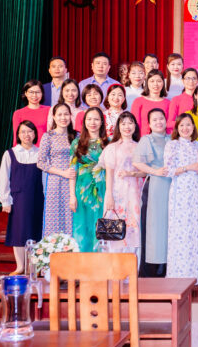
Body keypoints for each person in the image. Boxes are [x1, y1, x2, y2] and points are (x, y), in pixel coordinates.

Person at [0, 121, 44, 274]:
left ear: (35, 134)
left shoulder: (40, 153)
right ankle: (20, 266)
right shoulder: (10, 153)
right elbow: (4, 178)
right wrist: (5, 200)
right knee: (18, 232)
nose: (26, 135)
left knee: (36, 230)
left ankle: (34, 266)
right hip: (18, 199)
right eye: (23, 132)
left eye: (30, 131)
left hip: (37, 197)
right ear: (18, 135)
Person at [164, 113, 198, 284]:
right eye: (181, 125)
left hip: (195, 191)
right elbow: (168, 170)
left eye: (188, 125)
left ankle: (196, 274)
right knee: (180, 231)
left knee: (195, 231)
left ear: (193, 127)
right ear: (177, 128)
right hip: (179, 191)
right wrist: (188, 167)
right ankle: (178, 273)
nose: (185, 128)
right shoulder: (172, 144)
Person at [132, 108, 171, 277]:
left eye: (161, 118)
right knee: (154, 227)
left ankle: (169, 264)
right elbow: (137, 163)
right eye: (154, 120)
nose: (159, 122)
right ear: (149, 124)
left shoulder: (172, 139)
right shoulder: (147, 140)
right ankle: (153, 268)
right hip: (155, 185)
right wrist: (155, 171)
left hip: (172, 186)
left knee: (169, 225)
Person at [101, 112, 144, 253]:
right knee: (114, 228)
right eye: (123, 123)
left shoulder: (140, 147)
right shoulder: (112, 147)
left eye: (130, 123)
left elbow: (145, 172)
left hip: (135, 194)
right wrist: (109, 195)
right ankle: (114, 265)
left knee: (134, 227)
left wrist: (132, 174)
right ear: (118, 126)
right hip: (116, 193)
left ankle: (132, 263)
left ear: (135, 126)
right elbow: (109, 173)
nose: (127, 126)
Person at [69, 107, 107, 253]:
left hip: (102, 190)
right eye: (89, 119)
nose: (93, 122)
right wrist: (72, 196)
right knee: (81, 227)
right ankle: (81, 262)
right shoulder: (76, 143)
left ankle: (99, 261)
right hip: (82, 191)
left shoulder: (108, 142)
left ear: (102, 122)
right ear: (84, 122)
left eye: (96, 119)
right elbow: (72, 171)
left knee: (99, 226)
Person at [37, 103, 77, 238]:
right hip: (55, 182)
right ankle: (53, 248)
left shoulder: (76, 136)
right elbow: (41, 162)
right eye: (59, 115)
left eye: (66, 114)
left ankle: (72, 248)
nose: (63, 118)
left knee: (72, 216)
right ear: (53, 117)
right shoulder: (48, 136)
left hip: (74, 182)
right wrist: (63, 173)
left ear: (71, 116)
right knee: (54, 217)